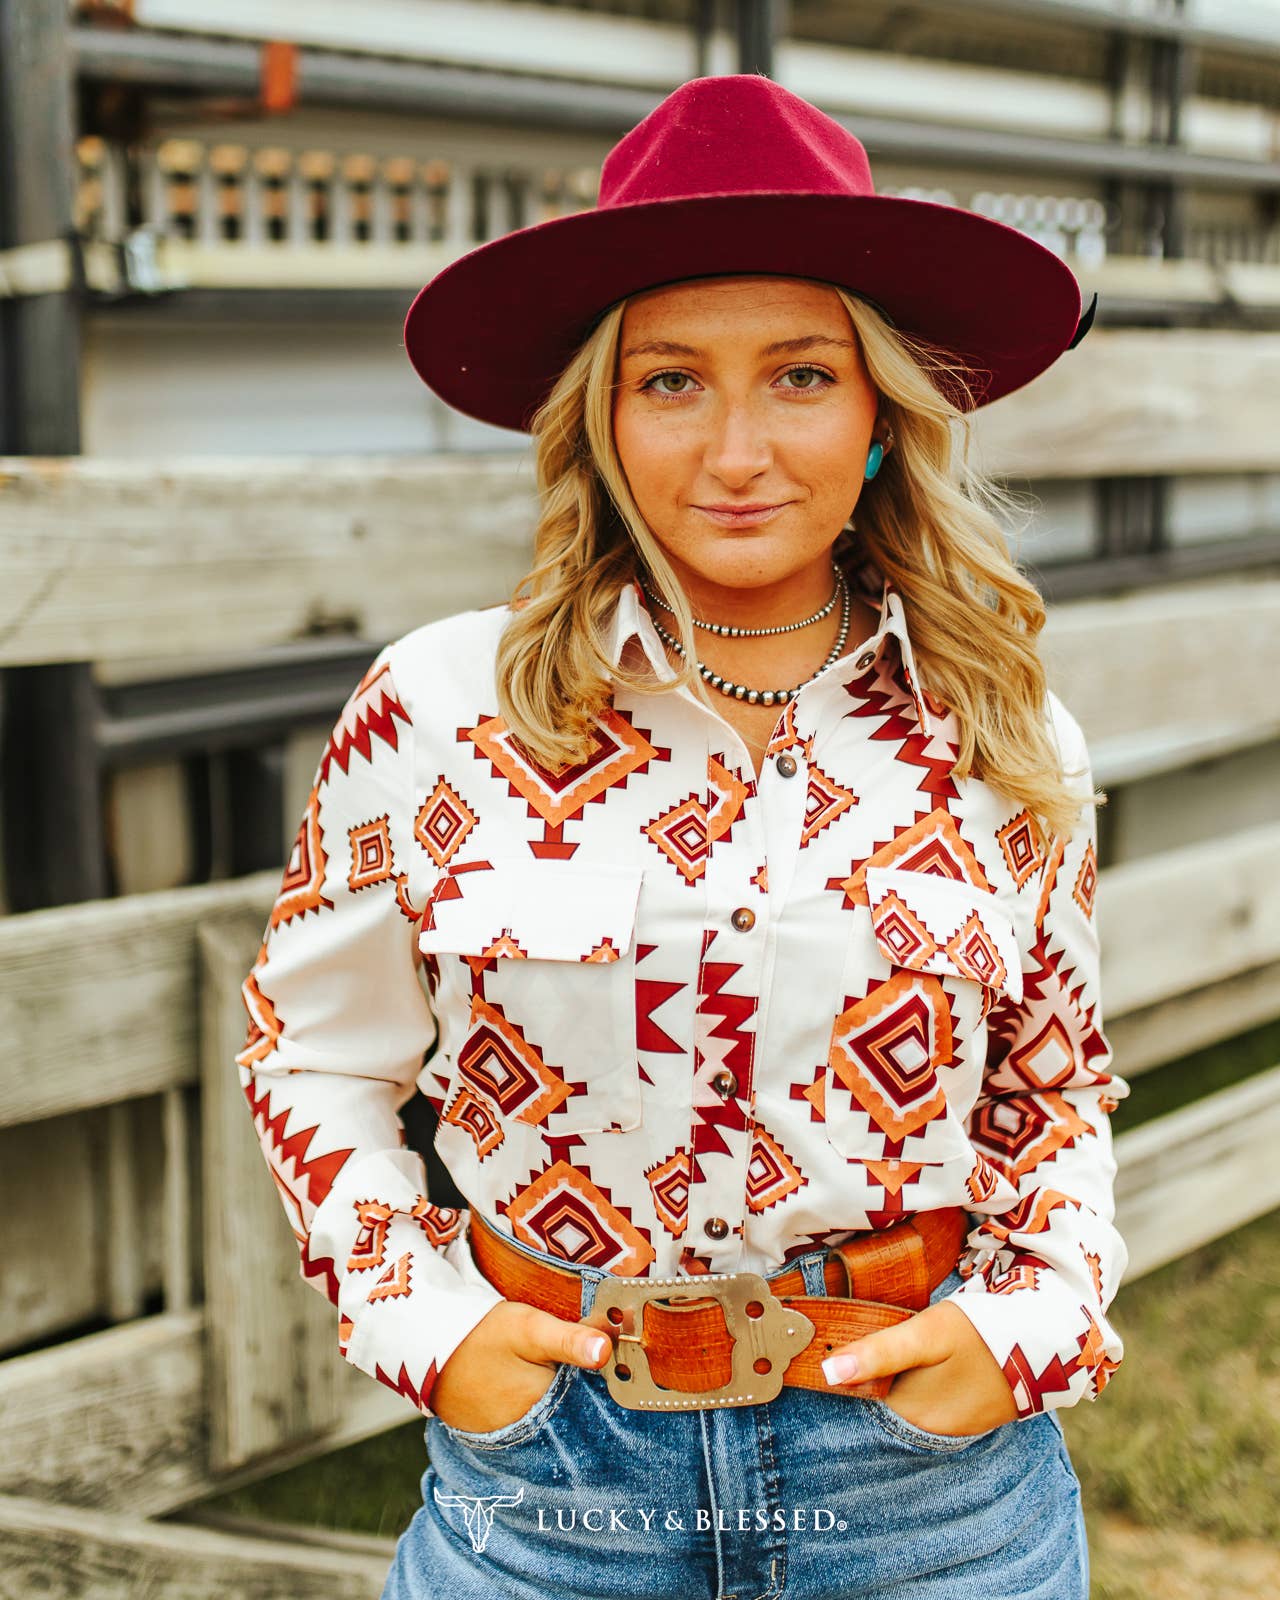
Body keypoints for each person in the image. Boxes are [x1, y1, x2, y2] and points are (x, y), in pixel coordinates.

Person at [237, 74, 1127, 1600]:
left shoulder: (1002, 736)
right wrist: (430, 1332)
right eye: (670, 383)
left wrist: (1028, 1321)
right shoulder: (439, 710)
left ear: (876, 419)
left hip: (921, 1483)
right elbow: (311, 1055)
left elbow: (1052, 1093)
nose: (734, 452)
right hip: (554, 1483)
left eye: (798, 376)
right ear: (600, 414)